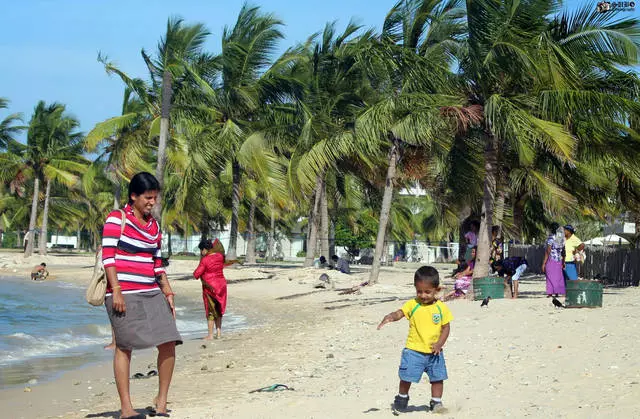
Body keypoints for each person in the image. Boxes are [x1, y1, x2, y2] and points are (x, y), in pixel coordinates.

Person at [102, 172, 181, 419]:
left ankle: (161, 401)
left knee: (169, 341)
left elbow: (157, 263)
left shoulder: (154, 226)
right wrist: (116, 291)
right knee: (124, 347)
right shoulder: (117, 219)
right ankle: (126, 408)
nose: (152, 203)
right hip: (122, 292)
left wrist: (167, 290)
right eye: (148, 198)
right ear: (133, 196)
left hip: (151, 291)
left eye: (155, 198)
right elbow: (108, 257)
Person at [377, 266, 453, 413]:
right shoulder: (413, 304)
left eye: (427, 292)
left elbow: (446, 328)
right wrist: (391, 316)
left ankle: (436, 402)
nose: (423, 295)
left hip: (434, 352)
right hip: (413, 351)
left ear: (436, 290)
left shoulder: (441, 308)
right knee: (406, 377)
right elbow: (401, 313)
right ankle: (402, 398)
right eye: (419, 291)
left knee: (438, 378)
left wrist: (439, 344)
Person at [193, 238, 228, 340]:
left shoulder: (205, 260)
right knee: (219, 309)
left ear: (204, 249)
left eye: (201, 250)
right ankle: (219, 333)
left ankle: (210, 335)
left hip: (210, 287)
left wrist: (197, 269)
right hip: (221, 285)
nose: (201, 252)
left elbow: (196, 274)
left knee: (211, 310)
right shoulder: (220, 256)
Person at [542, 224, 566, 297]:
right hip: (559, 260)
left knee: (549, 276)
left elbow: (548, 251)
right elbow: (563, 251)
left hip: (551, 259)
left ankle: (550, 293)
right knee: (558, 277)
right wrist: (563, 261)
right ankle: (557, 292)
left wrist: (544, 262)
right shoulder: (561, 238)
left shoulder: (551, 238)